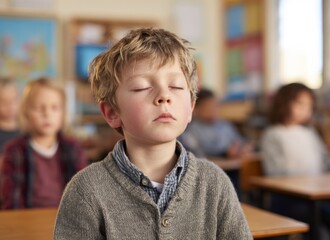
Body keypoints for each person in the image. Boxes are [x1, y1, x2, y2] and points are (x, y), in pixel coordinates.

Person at [54, 28, 251, 239]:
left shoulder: (214, 182)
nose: (164, 95)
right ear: (112, 112)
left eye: (175, 86)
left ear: (191, 107)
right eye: (141, 87)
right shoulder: (85, 191)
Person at [260, 82, 330, 240]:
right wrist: (308, 180)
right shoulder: (273, 134)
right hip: (288, 199)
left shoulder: (309, 133)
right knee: (324, 217)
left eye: (309, 104)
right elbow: (275, 173)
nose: (306, 109)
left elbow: (326, 161)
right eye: (300, 103)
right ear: (284, 103)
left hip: (315, 196)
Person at [0, 78, 88, 209]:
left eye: (54, 108)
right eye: (38, 108)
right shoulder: (14, 150)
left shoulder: (73, 147)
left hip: (67, 219)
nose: (47, 114)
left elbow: (83, 193)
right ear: (26, 113)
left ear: (63, 113)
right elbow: (12, 199)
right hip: (27, 219)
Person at [179, 88, 252, 158]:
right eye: (208, 106)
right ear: (196, 108)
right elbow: (198, 155)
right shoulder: (191, 130)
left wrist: (242, 148)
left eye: (215, 105)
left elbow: (240, 141)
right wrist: (226, 152)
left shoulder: (224, 125)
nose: (213, 110)